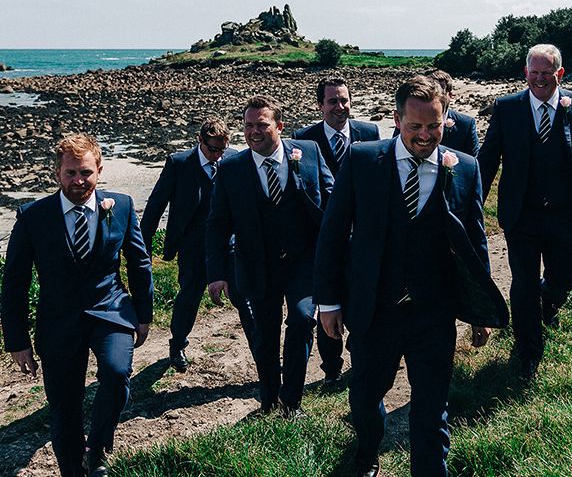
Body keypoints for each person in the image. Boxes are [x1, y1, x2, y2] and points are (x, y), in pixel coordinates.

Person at [314, 76, 505, 477]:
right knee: (365, 398)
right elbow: (332, 233)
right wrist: (328, 302)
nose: (425, 135)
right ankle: (367, 451)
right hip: (374, 310)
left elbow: (474, 241)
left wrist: (480, 310)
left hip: (433, 314)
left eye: (434, 126)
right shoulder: (363, 161)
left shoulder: (464, 169)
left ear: (445, 118)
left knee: (432, 410)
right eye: (415, 126)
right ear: (397, 119)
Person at [1, 134, 153, 477]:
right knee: (65, 407)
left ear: (99, 170)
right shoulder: (32, 217)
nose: (78, 181)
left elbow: (139, 262)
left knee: (116, 375)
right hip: (58, 321)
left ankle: (97, 447)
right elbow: (14, 282)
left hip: (111, 309)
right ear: (57, 173)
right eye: (70, 173)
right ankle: (73, 470)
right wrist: (18, 341)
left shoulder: (122, 206)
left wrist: (143, 315)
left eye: (85, 172)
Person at [477, 43, 572, 379]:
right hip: (520, 214)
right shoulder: (507, 108)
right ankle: (528, 354)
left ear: (560, 74)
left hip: (563, 212)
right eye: (533, 73)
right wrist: (470, 203)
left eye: (546, 73)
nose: (539, 80)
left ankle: (549, 300)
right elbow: (488, 160)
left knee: (564, 276)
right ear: (525, 73)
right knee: (522, 283)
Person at [206, 95, 334, 418]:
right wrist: (217, 272)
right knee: (265, 334)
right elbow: (217, 224)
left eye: (261, 124)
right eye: (248, 126)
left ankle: (291, 403)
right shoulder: (231, 168)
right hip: (256, 264)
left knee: (304, 319)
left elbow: (332, 205)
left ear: (279, 125)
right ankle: (269, 400)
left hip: (303, 260)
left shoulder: (308, 153)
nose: (253, 132)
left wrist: (341, 252)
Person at [140, 117, 253, 373]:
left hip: (228, 244)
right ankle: (177, 343)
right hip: (192, 244)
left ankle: (261, 350)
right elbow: (156, 204)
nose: (217, 155)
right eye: (213, 149)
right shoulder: (179, 163)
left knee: (242, 296)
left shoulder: (233, 158)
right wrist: (143, 246)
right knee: (189, 295)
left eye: (222, 149)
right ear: (199, 140)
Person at [293, 75, 380, 384]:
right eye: (333, 101)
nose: (340, 107)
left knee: (363, 297)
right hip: (323, 236)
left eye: (344, 100)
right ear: (320, 106)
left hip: (364, 235)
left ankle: (362, 359)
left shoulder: (369, 132)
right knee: (327, 299)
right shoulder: (304, 138)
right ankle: (331, 368)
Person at [393, 69, 479, 156]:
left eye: (441, 92)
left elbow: (474, 157)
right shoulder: (408, 118)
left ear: (450, 95)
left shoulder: (466, 124)